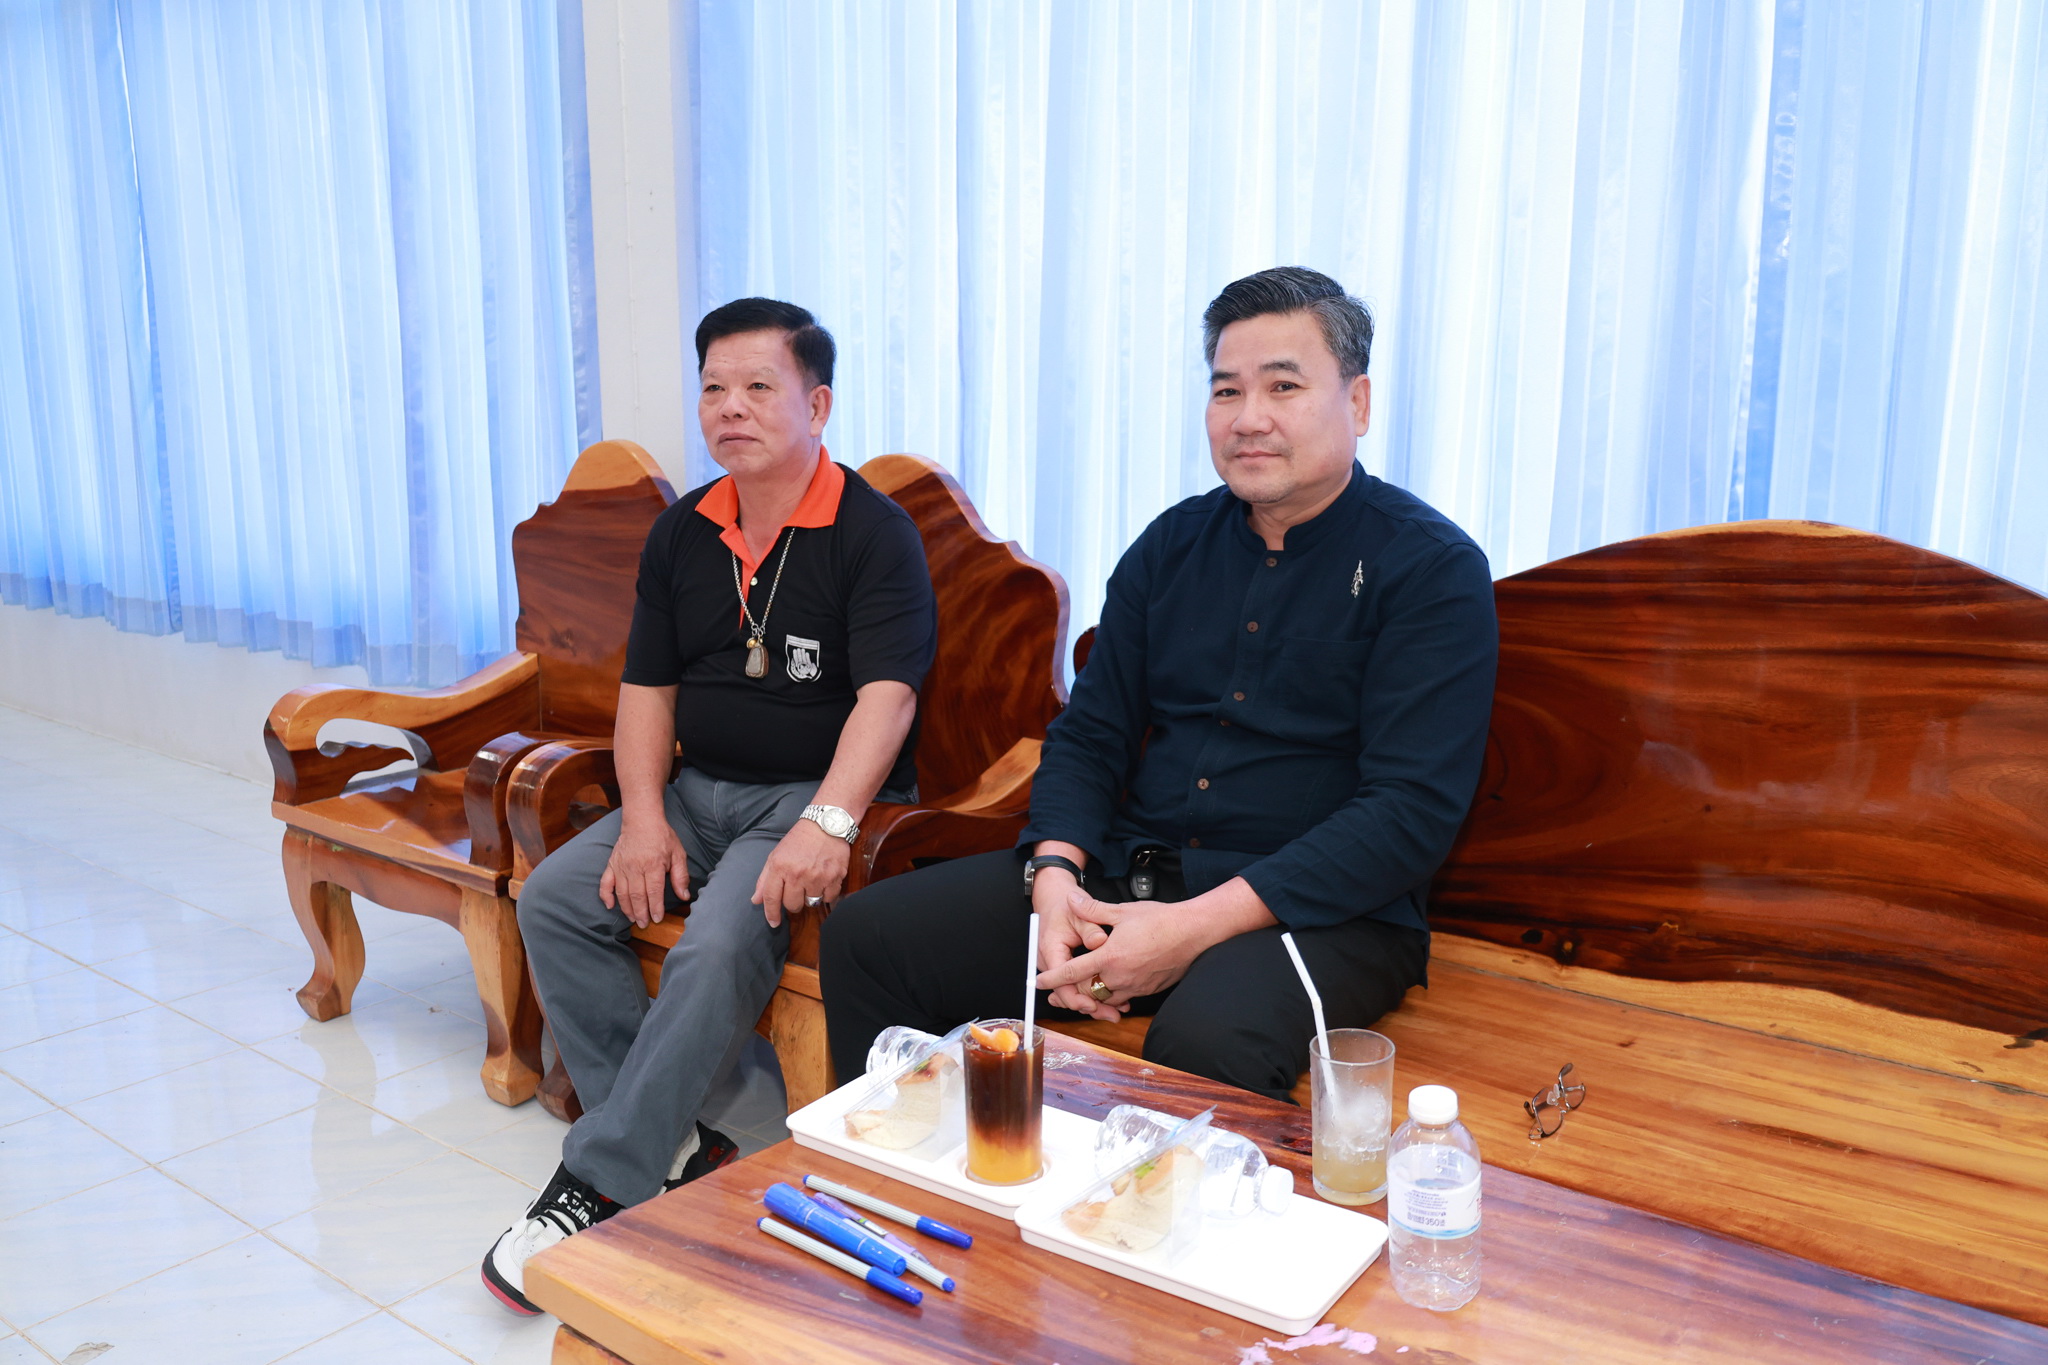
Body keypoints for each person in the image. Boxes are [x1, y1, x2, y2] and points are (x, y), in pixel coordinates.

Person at [820, 267, 1497, 1102]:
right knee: (870, 937)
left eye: (1283, 386)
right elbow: (1091, 733)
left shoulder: (1431, 568)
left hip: (1325, 912)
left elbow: (1407, 813)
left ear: (1356, 403)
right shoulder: (1171, 546)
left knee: (1204, 1043)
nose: (1249, 417)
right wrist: (1055, 876)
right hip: (1133, 876)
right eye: (1227, 389)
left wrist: (1187, 930)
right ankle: (920, 1166)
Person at [482, 298, 936, 1314]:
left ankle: (598, 1180)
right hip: (696, 791)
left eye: (759, 386)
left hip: (808, 799)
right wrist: (644, 818)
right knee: (554, 899)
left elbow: (890, 698)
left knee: (716, 946)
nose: (731, 407)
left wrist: (829, 823)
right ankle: (683, 1140)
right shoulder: (684, 530)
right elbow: (646, 691)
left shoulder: (874, 534)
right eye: (714, 388)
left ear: (816, 405)